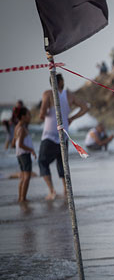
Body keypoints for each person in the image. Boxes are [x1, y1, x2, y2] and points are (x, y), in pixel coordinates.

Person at [38, 72, 89, 200]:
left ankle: (52, 191)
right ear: (59, 82)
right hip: (63, 135)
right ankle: (65, 191)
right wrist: (71, 118)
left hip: (49, 135)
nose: (64, 82)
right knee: (62, 164)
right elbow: (85, 107)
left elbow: (41, 114)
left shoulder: (48, 94)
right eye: (62, 80)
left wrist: (46, 112)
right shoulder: (69, 95)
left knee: (42, 162)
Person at [13, 107, 36, 203]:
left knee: (23, 177)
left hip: (19, 155)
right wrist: (31, 150)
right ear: (22, 117)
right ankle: (23, 198)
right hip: (24, 154)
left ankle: (20, 197)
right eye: (28, 115)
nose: (30, 117)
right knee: (27, 177)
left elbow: (14, 143)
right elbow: (20, 144)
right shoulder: (22, 129)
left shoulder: (17, 127)